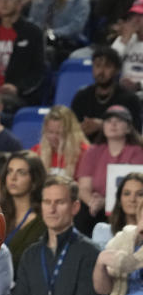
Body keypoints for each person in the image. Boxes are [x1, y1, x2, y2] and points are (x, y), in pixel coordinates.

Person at [75, 105, 143, 234]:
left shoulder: (138, 152)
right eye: (108, 121)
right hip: (96, 206)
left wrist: (105, 201)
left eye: (119, 121)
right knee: (82, 213)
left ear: (128, 127)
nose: (113, 124)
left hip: (127, 205)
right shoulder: (92, 152)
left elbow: (134, 186)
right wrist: (92, 202)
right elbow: (83, 188)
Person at [71, 46, 142, 143]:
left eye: (107, 66)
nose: (101, 71)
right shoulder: (82, 97)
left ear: (117, 70)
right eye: (97, 65)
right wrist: (80, 129)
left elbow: (136, 135)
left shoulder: (130, 99)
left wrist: (102, 126)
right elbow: (70, 130)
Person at [0, 150, 48, 268]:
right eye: (9, 171)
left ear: (35, 180)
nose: (13, 178)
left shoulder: (43, 220)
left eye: (21, 173)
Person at [32, 105, 89, 178]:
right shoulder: (37, 152)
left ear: (70, 133)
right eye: (50, 132)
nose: (53, 137)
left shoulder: (84, 153)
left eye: (59, 133)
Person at [92, 171, 143, 246]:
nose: (132, 199)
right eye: (127, 193)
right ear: (119, 199)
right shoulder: (103, 231)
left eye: (140, 194)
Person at [112, 0, 143, 94]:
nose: (135, 20)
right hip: (123, 92)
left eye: (140, 16)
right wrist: (124, 40)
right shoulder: (124, 39)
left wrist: (138, 85)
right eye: (133, 16)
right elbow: (109, 62)